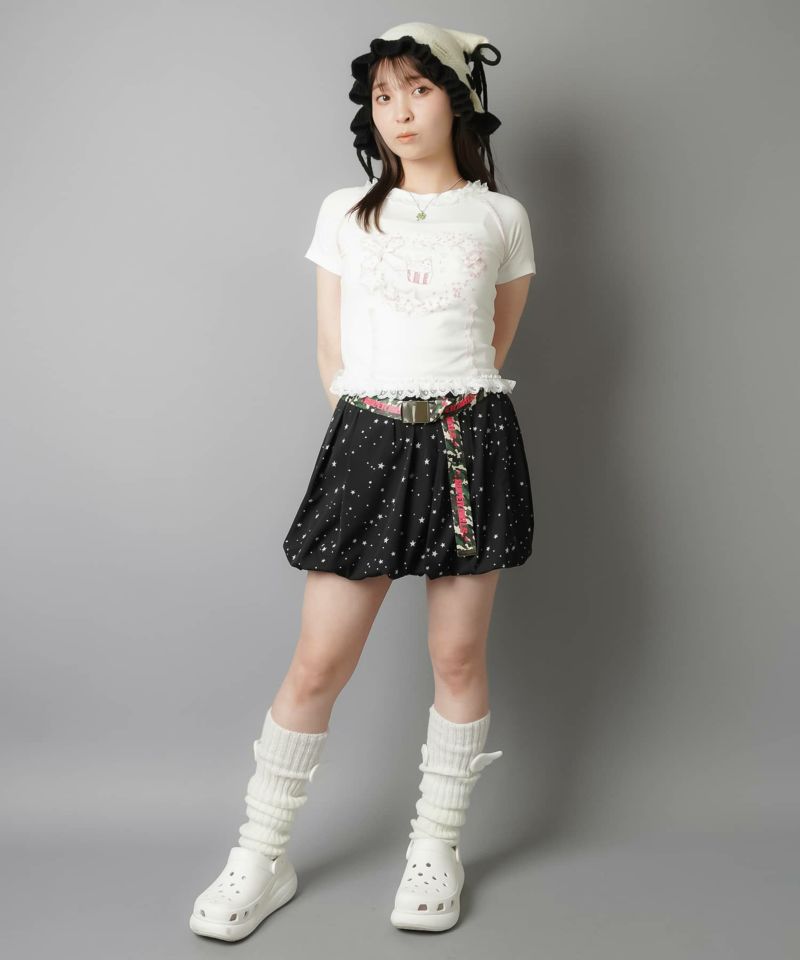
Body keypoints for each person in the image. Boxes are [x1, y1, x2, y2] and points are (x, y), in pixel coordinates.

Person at [189, 20, 536, 940]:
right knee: (317, 663)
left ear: (457, 101)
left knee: (457, 658)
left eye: (418, 89)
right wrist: (376, 427)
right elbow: (330, 350)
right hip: (367, 441)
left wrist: (442, 412)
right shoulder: (345, 211)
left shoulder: (501, 218)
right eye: (383, 95)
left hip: (467, 440)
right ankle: (261, 854)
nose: (399, 110)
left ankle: (437, 849)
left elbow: (491, 345)